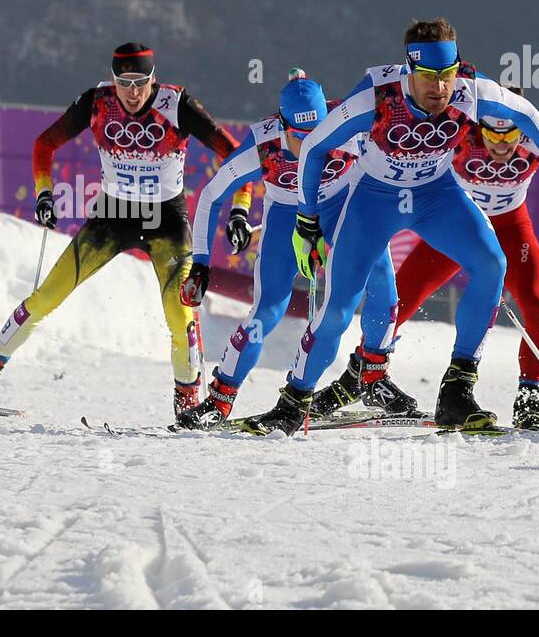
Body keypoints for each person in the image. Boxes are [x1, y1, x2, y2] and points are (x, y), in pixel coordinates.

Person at [248, 18, 539, 435]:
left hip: (436, 195)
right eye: (429, 78)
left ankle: (457, 391)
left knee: (492, 265)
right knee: (339, 308)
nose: (440, 88)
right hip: (375, 200)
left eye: (446, 76)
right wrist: (306, 221)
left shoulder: (468, 91)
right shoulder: (377, 97)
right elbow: (316, 147)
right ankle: (293, 402)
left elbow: (525, 112)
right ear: (409, 70)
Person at [0, 43, 251, 421]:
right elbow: (44, 143)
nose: (133, 92)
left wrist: (240, 211)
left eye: (141, 83)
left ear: (154, 79)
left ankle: (188, 398)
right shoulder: (97, 101)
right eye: (124, 82)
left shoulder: (176, 104)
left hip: (165, 221)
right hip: (112, 218)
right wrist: (43, 193)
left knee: (179, 317)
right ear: (114, 79)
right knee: (45, 297)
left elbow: (234, 156)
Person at [175, 69, 416, 430]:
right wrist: (201, 263)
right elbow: (210, 196)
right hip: (287, 219)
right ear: (281, 124)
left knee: (382, 283)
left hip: (342, 208)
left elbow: (381, 81)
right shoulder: (263, 144)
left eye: (318, 134)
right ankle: (220, 399)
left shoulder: (347, 122)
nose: (311, 145)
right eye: (299, 137)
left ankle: (373, 378)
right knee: (268, 309)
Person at [393, 82, 539, 431]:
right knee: (400, 299)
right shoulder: (462, 125)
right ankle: (368, 372)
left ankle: (529, 401)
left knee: (538, 305)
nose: (500, 146)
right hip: (459, 225)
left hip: (511, 227)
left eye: (509, 137)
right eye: (491, 137)